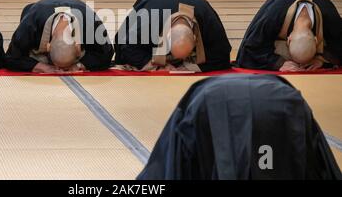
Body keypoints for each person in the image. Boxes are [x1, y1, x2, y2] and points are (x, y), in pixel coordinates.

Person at [138, 74, 342, 180]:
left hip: (212, 104)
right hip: (281, 107)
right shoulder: (291, 102)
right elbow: (322, 167)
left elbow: (166, 166)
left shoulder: (196, 103)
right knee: (269, 164)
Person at [114, 0, 231, 72]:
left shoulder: (208, 20)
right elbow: (127, 47)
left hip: (195, 5)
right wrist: (153, 65)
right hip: (154, 2)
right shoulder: (149, 20)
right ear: (166, 35)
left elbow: (222, 55)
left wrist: (189, 67)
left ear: (195, 38)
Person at [236, 0, 342, 71]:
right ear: (288, 39)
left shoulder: (330, 17)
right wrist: (278, 63)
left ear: (316, 40)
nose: (301, 66)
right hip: (279, 8)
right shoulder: (272, 16)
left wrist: (321, 59)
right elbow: (251, 47)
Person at [5, 0, 114, 73]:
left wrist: (78, 65)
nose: (62, 72)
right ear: (47, 47)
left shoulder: (91, 22)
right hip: (38, 11)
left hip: (79, 9)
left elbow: (107, 53)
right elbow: (11, 57)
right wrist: (41, 66)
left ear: (78, 46)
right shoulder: (31, 24)